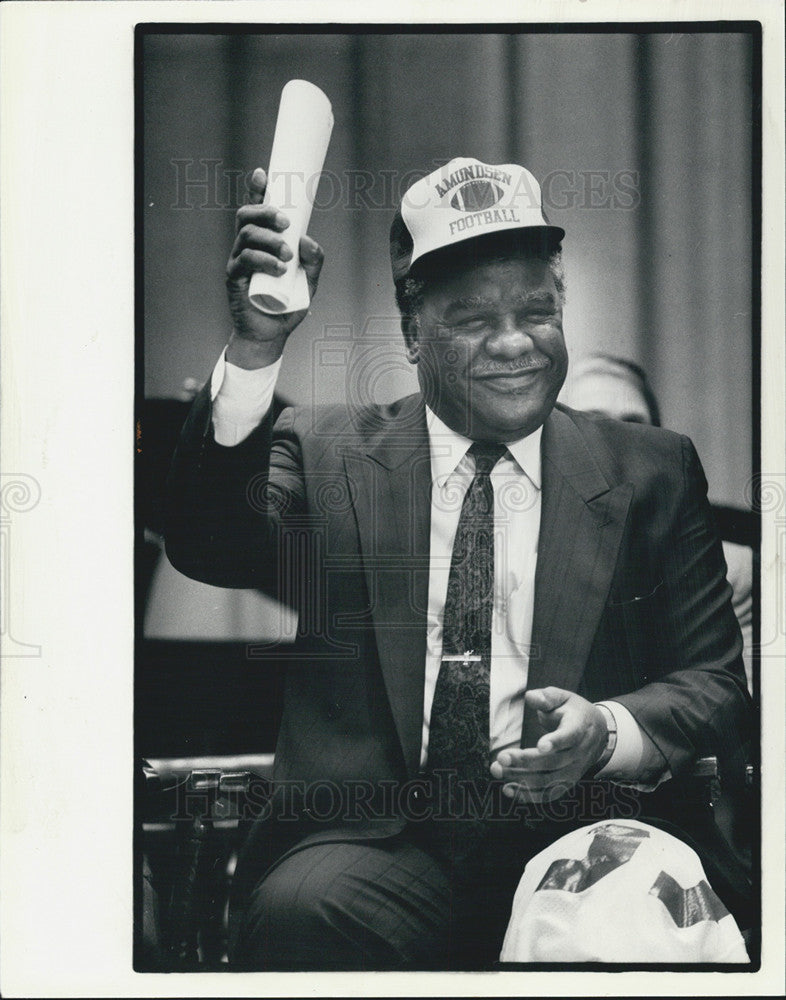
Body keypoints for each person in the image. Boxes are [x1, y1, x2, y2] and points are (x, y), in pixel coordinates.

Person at [165, 157, 753, 969]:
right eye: (473, 319)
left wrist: (607, 732)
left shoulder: (652, 469)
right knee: (304, 914)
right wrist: (258, 342)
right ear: (412, 331)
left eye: (538, 311)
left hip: (586, 832)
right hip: (378, 847)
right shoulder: (328, 449)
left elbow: (715, 683)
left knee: (612, 919)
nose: (515, 343)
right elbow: (207, 544)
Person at [564, 353, 754, 693]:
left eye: (636, 426)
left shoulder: (728, 571)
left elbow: (735, 711)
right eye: (594, 425)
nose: (618, 444)